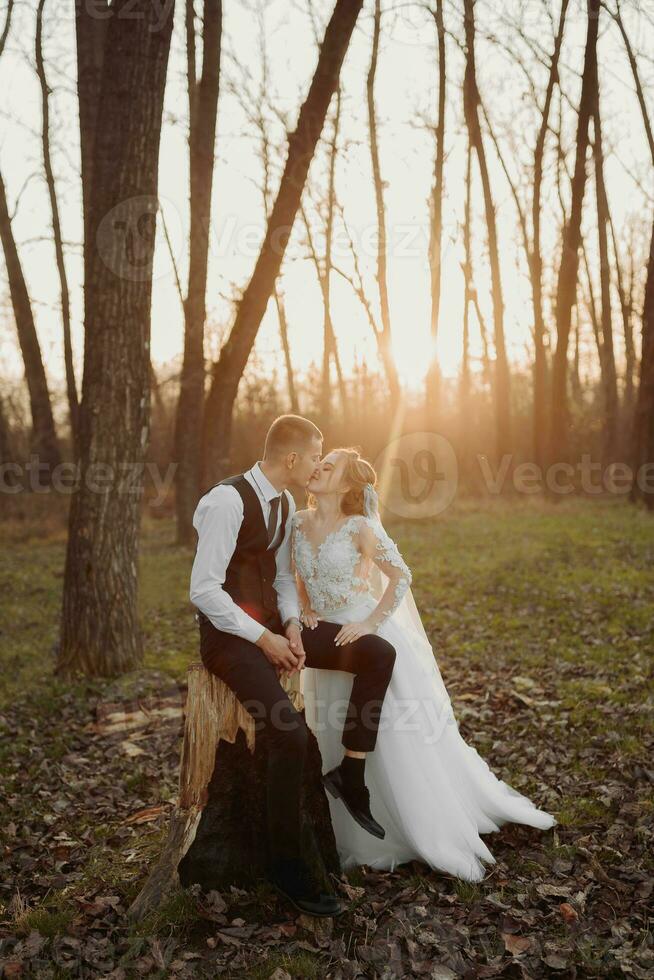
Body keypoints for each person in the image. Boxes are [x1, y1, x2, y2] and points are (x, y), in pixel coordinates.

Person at [291, 446, 557, 880]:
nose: (317, 468)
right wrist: (304, 606)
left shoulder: (359, 527)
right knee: (330, 720)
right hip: (324, 634)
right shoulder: (297, 523)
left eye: (328, 466)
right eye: (317, 463)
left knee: (399, 734)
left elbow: (400, 577)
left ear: (345, 484)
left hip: (360, 629)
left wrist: (371, 623)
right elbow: (297, 575)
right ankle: (341, 815)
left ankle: (403, 819)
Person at [190, 416, 397, 918]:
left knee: (376, 653)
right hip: (229, 643)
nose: (316, 466)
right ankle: (287, 867)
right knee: (289, 736)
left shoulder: (283, 504)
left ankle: (352, 772)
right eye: (313, 456)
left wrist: (290, 627)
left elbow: (283, 577)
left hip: (273, 633)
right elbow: (203, 590)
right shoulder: (225, 501)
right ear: (291, 460)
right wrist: (262, 637)